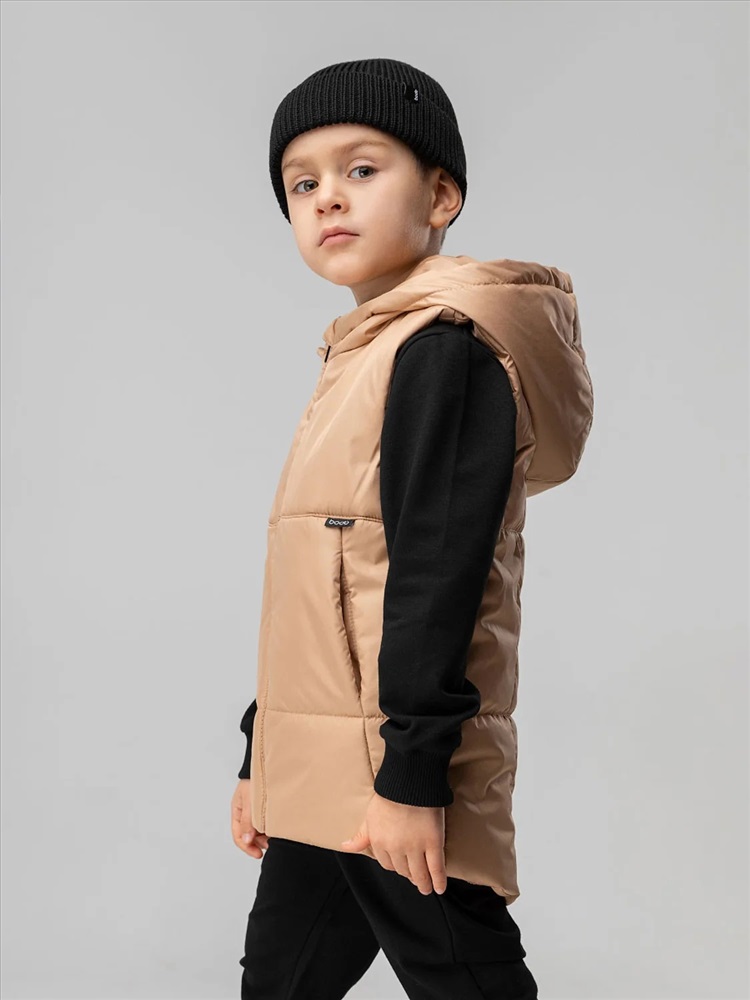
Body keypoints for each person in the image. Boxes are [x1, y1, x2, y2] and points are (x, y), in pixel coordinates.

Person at [229, 57, 594, 1000]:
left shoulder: (443, 352)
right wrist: (265, 755)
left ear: (441, 195)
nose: (327, 197)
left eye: (361, 169)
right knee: (278, 982)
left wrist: (413, 777)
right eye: (301, 183)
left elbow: (437, 578)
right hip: (325, 765)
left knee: (462, 977)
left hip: (391, 768)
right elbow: (318, 592)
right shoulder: (361, 355)